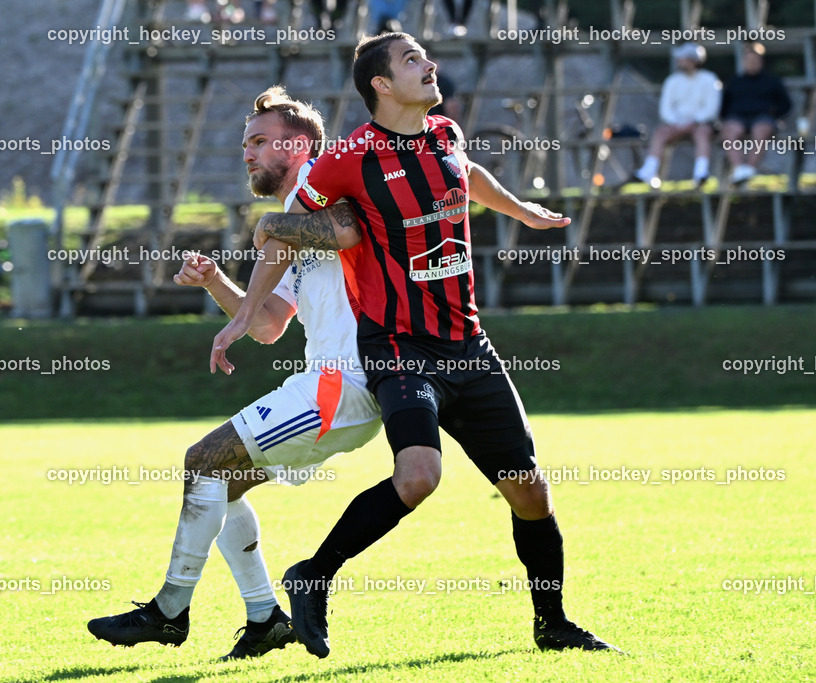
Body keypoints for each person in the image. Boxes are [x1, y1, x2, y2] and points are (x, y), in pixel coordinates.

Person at [211, 32, 618, 659]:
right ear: (380, 83)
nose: (428, 66)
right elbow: (287, 233)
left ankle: (553, 624)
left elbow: (468, 173)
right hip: (398, 347)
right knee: (419, 475)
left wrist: (521, 211)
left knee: (529, 489)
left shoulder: (446, 135)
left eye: (425, 58)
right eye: (411, 61)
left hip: (467, 342)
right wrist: (242, 315)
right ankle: (312, 576)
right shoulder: (346, 160)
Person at [87, 86, 382, 659]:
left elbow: (350, 224)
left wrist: (270, 227)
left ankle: (168, 611)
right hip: (335, 387)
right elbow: (270, 323)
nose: (247, 153)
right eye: (244, 143)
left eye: (259, 141)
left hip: (343, 384)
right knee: (214, 482)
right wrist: (219, 282)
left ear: (299, 146)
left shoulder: (322, 181)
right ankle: (265, 617)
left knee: (202, 460)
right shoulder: (297, 211)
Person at [634, 42, 722, 188]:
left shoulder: (710, 79)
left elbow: (711, 108)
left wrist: (694, 122)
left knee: (703, 133)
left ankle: (701, 173)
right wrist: (677, 123)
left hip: (701, 124)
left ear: (693, 61)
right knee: (660, 133)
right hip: (676, 124)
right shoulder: (672, 81)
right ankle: (649, 170)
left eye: (683, 58)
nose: (679, 61)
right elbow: (666, 108)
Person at [720, 42, 792, 185]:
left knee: (761, 129)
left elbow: (786, 104)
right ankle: (739, 168)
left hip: (763, 117)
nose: (752, 63)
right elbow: (724, 107)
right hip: (738, 117)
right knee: (728, 130)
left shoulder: (772, 81)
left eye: (755, 60)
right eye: (748, 60)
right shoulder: (734, 81)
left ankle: (749, 169)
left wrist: (775, 114)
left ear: (761, 61)